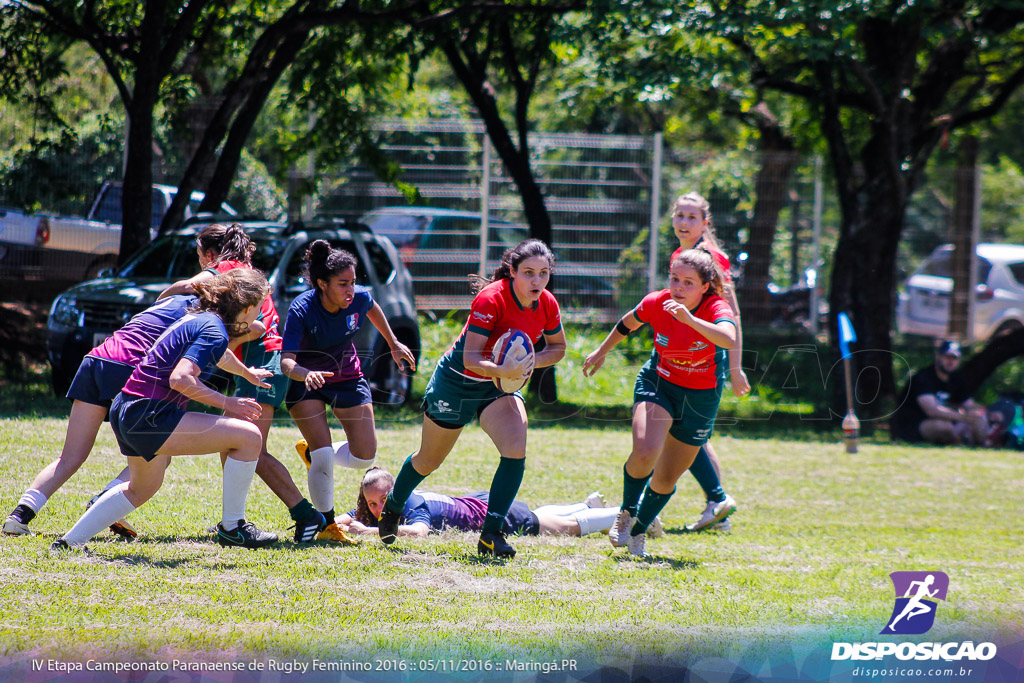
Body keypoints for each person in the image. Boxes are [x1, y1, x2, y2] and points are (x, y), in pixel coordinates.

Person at [2, 293, 271, 539]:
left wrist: (246, 372)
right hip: (135, 381)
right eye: (256, 308)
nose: (259, 315)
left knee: (109, 470)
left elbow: (213, 350)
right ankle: (233, 527)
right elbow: (187, 371)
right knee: (240, 437)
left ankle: (31, 518)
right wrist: (229, 402)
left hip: (101, 364)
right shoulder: (206, 316)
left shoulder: (182, 300)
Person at [377, 239, 567, 559]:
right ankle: (393, 506)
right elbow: (470, 357)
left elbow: (558, 348)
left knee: (515, 448)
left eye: (544, 273)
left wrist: (527, 363)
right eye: (529, 273)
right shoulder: (491, 298)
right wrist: (504, 367)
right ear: (512, 272)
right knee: (428, 460)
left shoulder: (547, 303)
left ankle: (491, 533)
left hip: (497, 388)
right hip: (458, 383)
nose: (537, 281)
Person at [158, 222, 327, 543]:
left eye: (198, 255)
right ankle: (232, 520)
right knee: (234, 445)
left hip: (264, 363)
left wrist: (157, 303)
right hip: (262, 363)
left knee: (251, 446)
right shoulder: (246, 270)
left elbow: (187, 286)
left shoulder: (223, 269)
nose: (200, 263)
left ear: (209, 253)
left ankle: (307, 516)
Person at [583, 248, 737, 557]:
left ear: (705, 286)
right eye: (674, 279)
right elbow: (628, 323)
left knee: (666, 477)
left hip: (700, 398)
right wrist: (601, 351)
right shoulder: (658, 301)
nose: (678, 288)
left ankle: (640, 530)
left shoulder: (715, 307)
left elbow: (728, 338)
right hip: (659, 383)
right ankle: (626, 514)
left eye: (688, 282)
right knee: (645, 452)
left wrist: (690, 320)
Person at [282, 240, 416, 546]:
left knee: (364, 455)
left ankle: (312, 452)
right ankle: (327, 523)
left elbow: (372, 306)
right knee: (324, 455)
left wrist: (393, 343)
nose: (350, 290)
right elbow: (286, 361)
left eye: (353, 282)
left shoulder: (358, 299)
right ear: (321, 284)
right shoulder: (302, 308)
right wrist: (306, 373)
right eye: (343, 284)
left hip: (347, 377)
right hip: (307, 382)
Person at [669, 192, 745, 532]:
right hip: (682, 354)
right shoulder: (682, 255)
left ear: (705, 223)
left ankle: (716, 499)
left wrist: (735, 366)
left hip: (703, 358)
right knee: (691, 433)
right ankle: (718, 507)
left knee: (679, 427)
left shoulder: (711, 258)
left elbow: (732, 314)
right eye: (679, 215)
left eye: (691, 217)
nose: (684, 222)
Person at [336, 467, 663, 540]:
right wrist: (337, 522)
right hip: (481, 502)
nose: (378, 509)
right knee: (538, 516)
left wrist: (367, 531)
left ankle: (634, 514)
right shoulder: (379, 506)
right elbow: (347, 517)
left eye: (382, 501)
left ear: (396, 493)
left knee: (562, 530)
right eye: (372, 504)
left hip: (495, 513)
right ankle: (586, 504)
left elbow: (419, 532)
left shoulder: (415, 504)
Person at [891, 340, 988, 445]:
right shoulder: (923, 378)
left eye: (954, 358)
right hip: (913, 426)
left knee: (979, 420)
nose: (951, 362)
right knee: (944, 427)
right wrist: (964, 417)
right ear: (938, 356)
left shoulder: (956, 379)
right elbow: (932, 410)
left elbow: (969, 405)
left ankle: (978, 447)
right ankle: (959, 442)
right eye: (947, 357)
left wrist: (978, 414)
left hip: (948, 423)